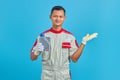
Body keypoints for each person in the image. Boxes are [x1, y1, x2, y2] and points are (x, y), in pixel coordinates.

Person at [30, 6, 98, 80]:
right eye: (55, 16)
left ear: (64, 18)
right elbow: (32, 58)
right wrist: (36, 52)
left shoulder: (69, 37)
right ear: (50, 17)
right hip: (47, 75)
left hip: (63, 75)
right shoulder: (44, 36)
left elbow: (74, 59)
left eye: (60, 16)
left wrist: (83, 43)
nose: (58, 19)